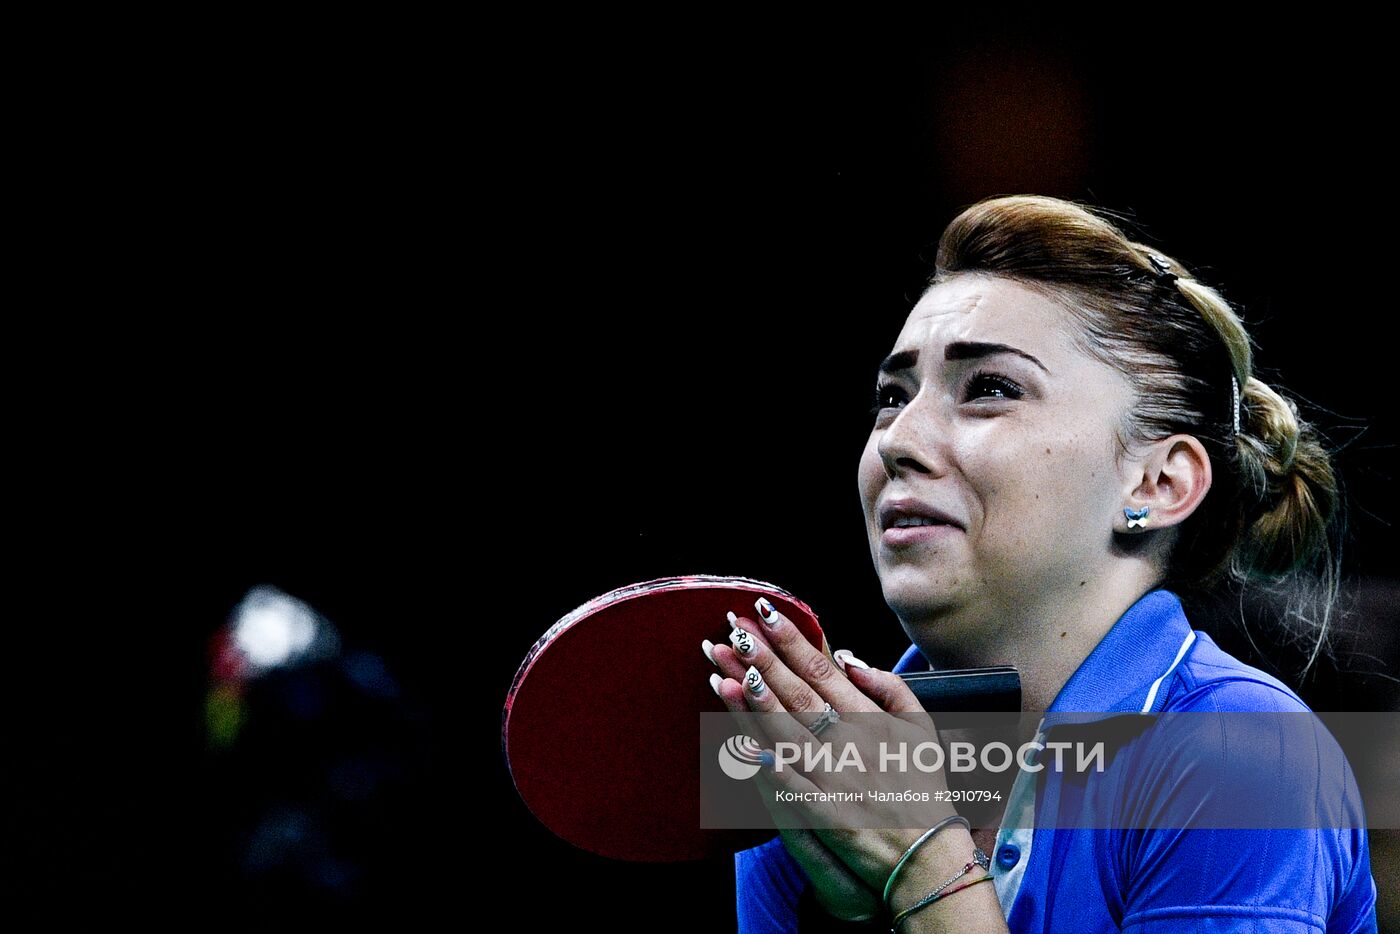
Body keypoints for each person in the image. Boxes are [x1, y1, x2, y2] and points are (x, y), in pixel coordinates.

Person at [705, 195, 1379, 932]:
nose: (899, 437)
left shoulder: (1241, 750)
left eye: (991, 389)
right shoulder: (821, 766)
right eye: (890, 396)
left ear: (1158, 484)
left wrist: (930, 877)